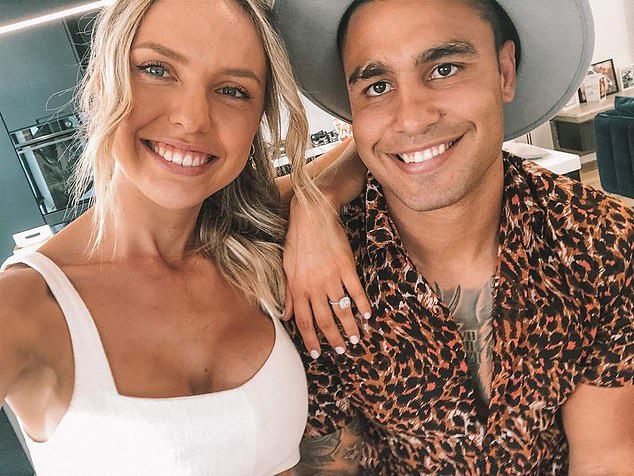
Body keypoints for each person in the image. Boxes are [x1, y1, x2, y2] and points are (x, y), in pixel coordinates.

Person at [0, 0, 369, 474]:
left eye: (232, 91)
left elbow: (374, 144)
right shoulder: (24, 306)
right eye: (157, 69)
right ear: (101, 83)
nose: (193, 118)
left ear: (256, 122)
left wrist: (317, 203)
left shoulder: (248, 236)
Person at [274, 0, 634, 474]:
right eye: (378, 86)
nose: (412, 118)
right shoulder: (313, 276)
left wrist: (318, 196)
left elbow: (605, 456)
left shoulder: (600, 241)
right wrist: (313, 199)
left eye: (444, 69)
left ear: (505, 72)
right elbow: (332, 464)